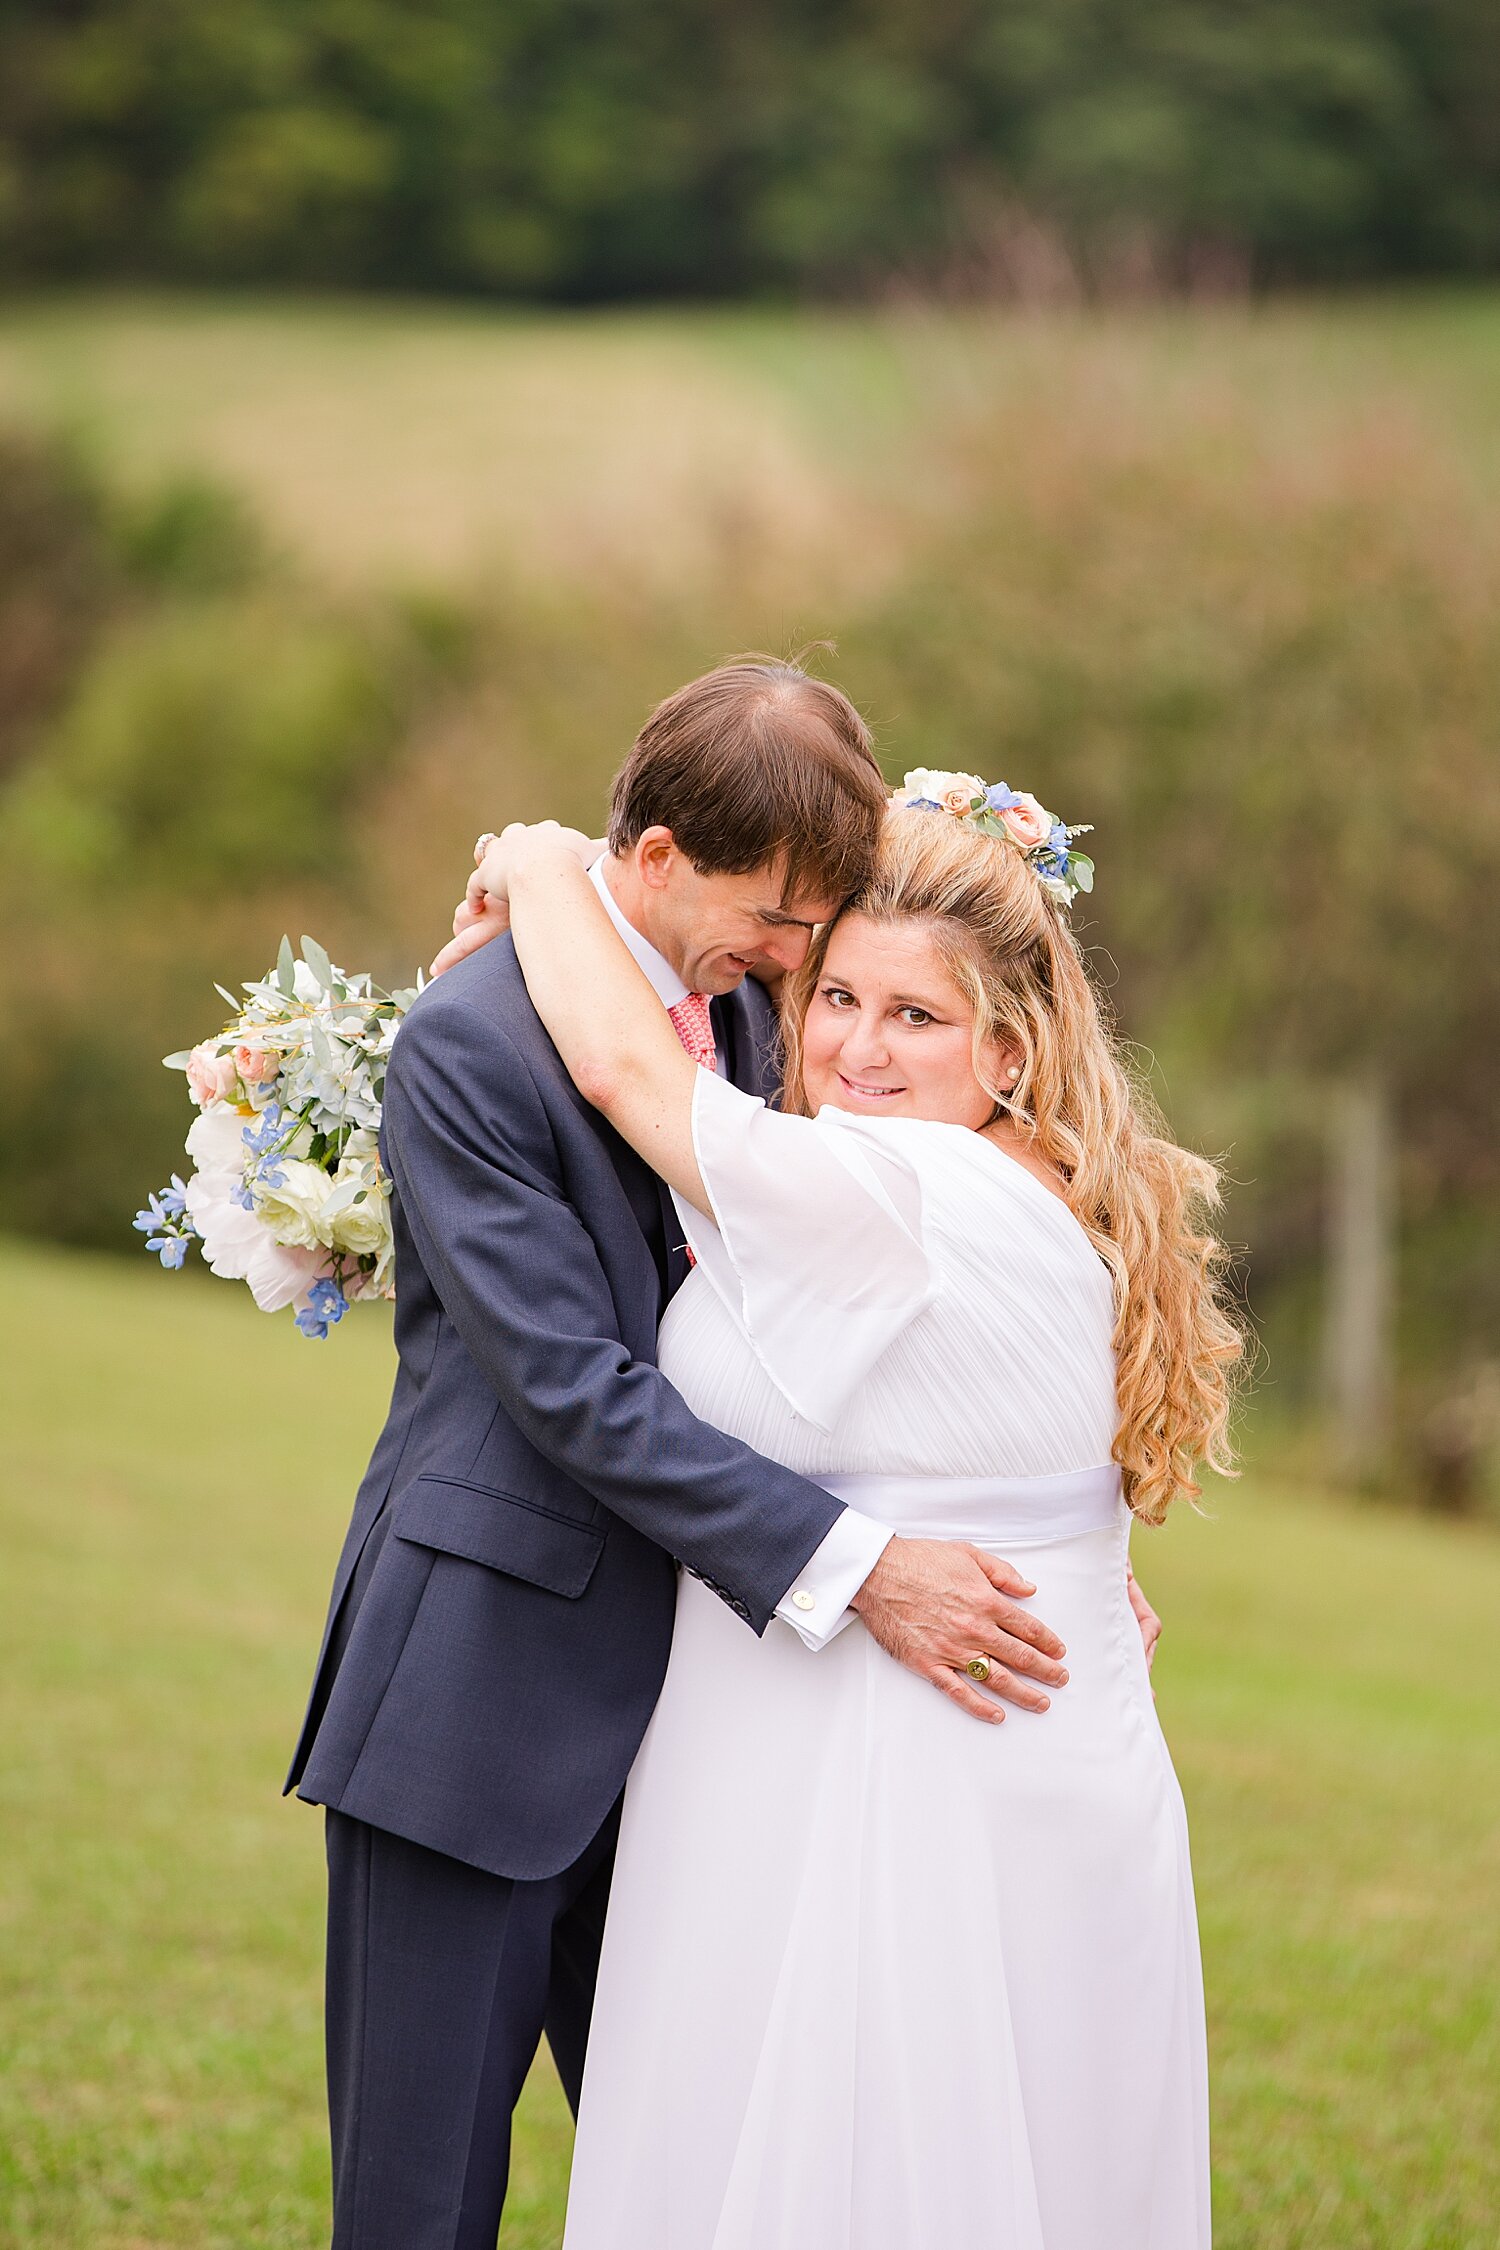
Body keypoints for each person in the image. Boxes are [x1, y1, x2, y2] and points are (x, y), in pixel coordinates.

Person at [285, 662, 1104, 2250]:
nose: (801, 964)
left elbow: (831, 1350)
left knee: (708, 2187)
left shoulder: (741, 1014)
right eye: (778, 919)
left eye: (816, 925)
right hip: (477, 1703)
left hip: (700, 1745)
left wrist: (1069, 1551)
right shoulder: (471, 1040)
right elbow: (578, 1391)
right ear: (656, 860)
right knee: (417, 2205)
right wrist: (866, 1567)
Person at [452, 781, 1239, 2250]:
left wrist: (543, 859)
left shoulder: (912, 1179)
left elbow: (630, 1070)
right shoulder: (1026, 1174)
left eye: (917, 1018)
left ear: (1010, 1049)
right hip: (955, 1729)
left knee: (871, 2159)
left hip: (912, 1769)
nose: (859, 1049)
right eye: (838, 997)